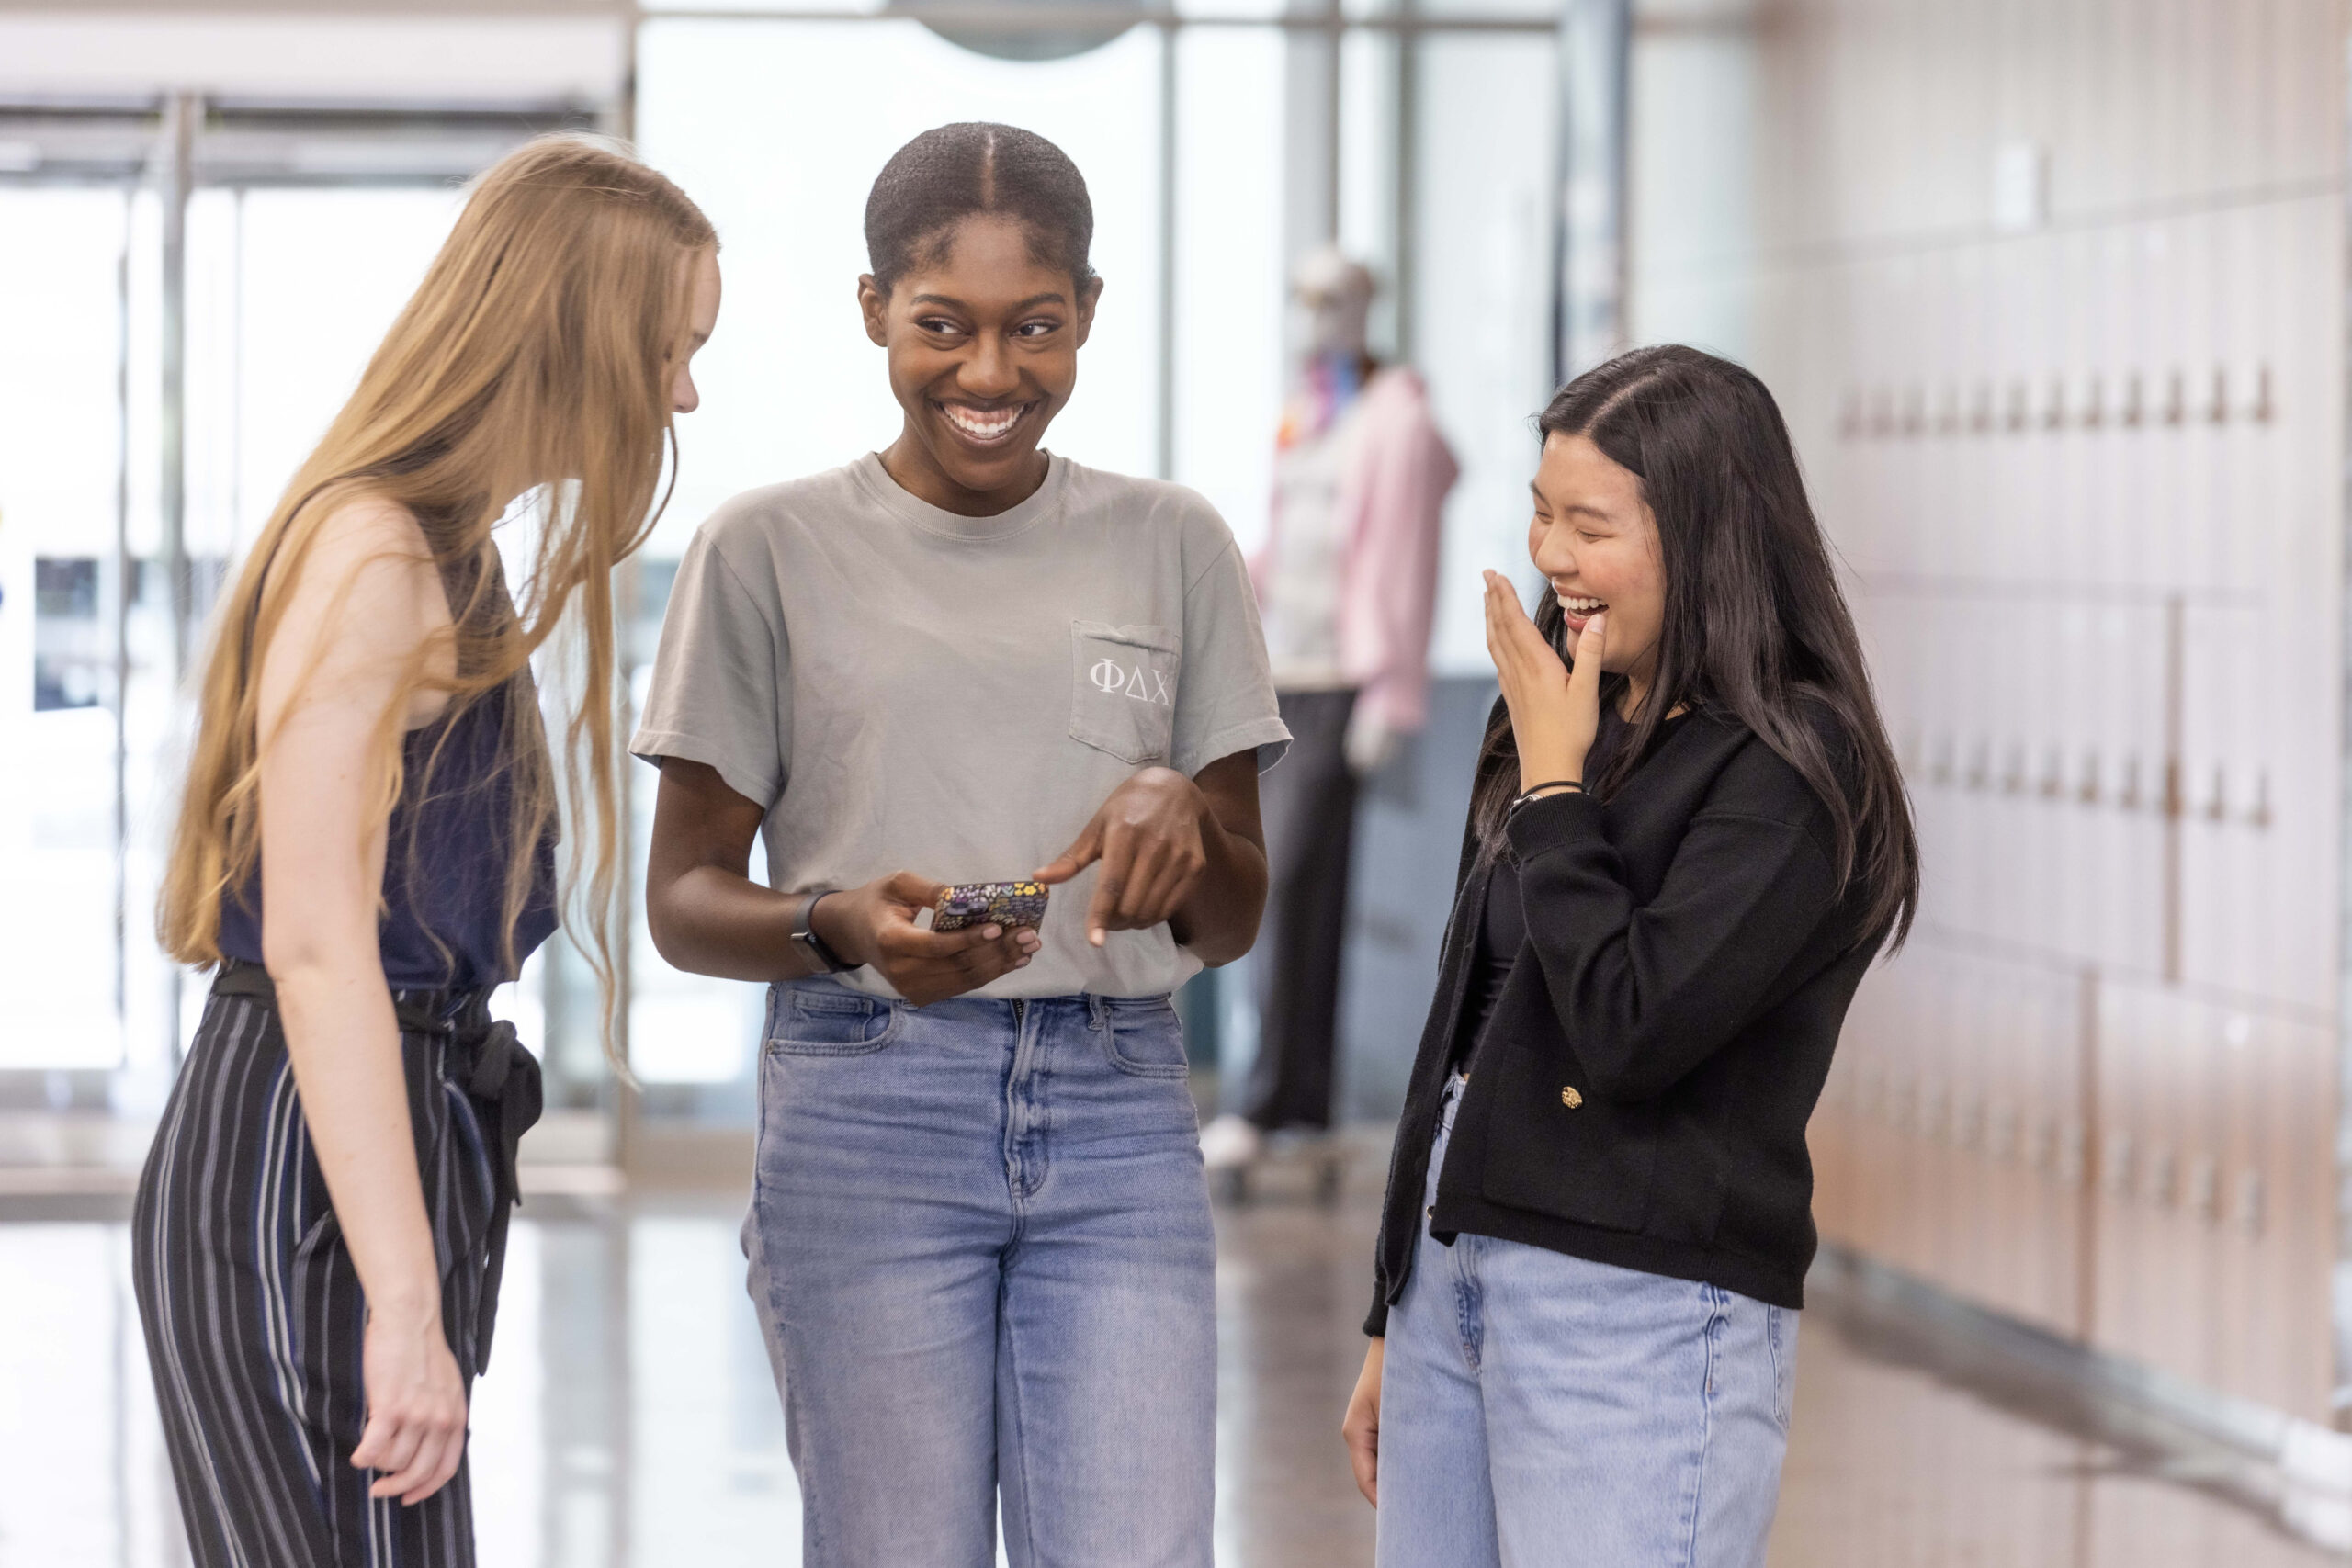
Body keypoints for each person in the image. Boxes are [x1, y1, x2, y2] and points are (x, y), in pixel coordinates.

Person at [635, 122, 1288, 1568]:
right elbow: (680, 901)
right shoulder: (767, 550)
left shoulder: (1176, 544)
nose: (991, 375)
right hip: (866, 1108)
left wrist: (1186, 818)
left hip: (1118, 1116)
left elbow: (1233, 913)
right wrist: (839, 922)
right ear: (875, 311)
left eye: (1034, 328)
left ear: (1088, 316)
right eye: (944, 326)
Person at [139, 137, 719, 1567]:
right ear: (573, 338)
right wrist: (406, 1305)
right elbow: (323, 939)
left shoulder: (446, 552)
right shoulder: (376, 553)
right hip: (304, 1150)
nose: (687, 392)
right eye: (670, 347)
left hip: (380, 1128)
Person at [1340, 344, 1920, 1567]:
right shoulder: (1562, 702)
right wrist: (1400, 1304)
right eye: (1541, 510)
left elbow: (1632, 1026)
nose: (1548, 553)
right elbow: (1470, 1017)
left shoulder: (1794, 766)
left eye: (1588, 524)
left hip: (1639, 1313)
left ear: (1702, 537)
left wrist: (1557, 786)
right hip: (1460, 1272)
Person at [1199, 246, 1456, 1173]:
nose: (1317, 316)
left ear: (1366, 306)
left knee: (1291, 881)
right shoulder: (1307, 411)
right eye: (1303, 299)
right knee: (1291, 887)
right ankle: (1289, 1104)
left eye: (1333, 300)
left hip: (1344, 682)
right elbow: (1285, 543)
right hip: (1283, 670)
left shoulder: (1398, 422)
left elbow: (1403, 562)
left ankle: (1270, 1102)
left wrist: (1391, 689)